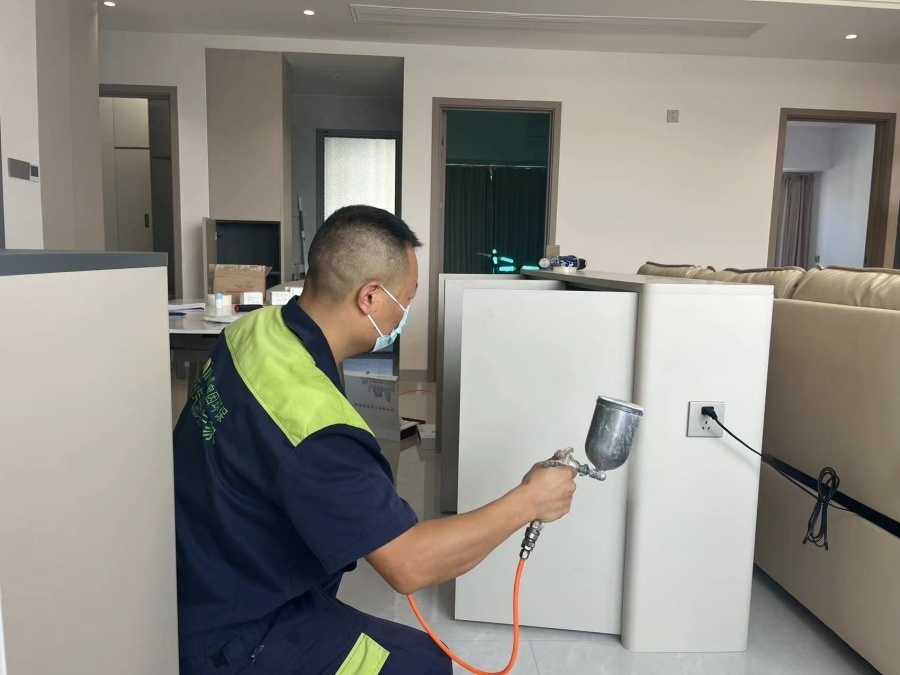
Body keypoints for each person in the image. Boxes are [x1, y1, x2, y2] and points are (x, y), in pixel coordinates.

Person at [173, 205, 577, 675]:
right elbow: (410, 564)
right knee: (424, 665)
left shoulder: (252, 330)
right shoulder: (319, 429)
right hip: (233, 631)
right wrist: (530, 500)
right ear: (369, 297)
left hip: (197, 570)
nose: (405, 313)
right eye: (406, 299)